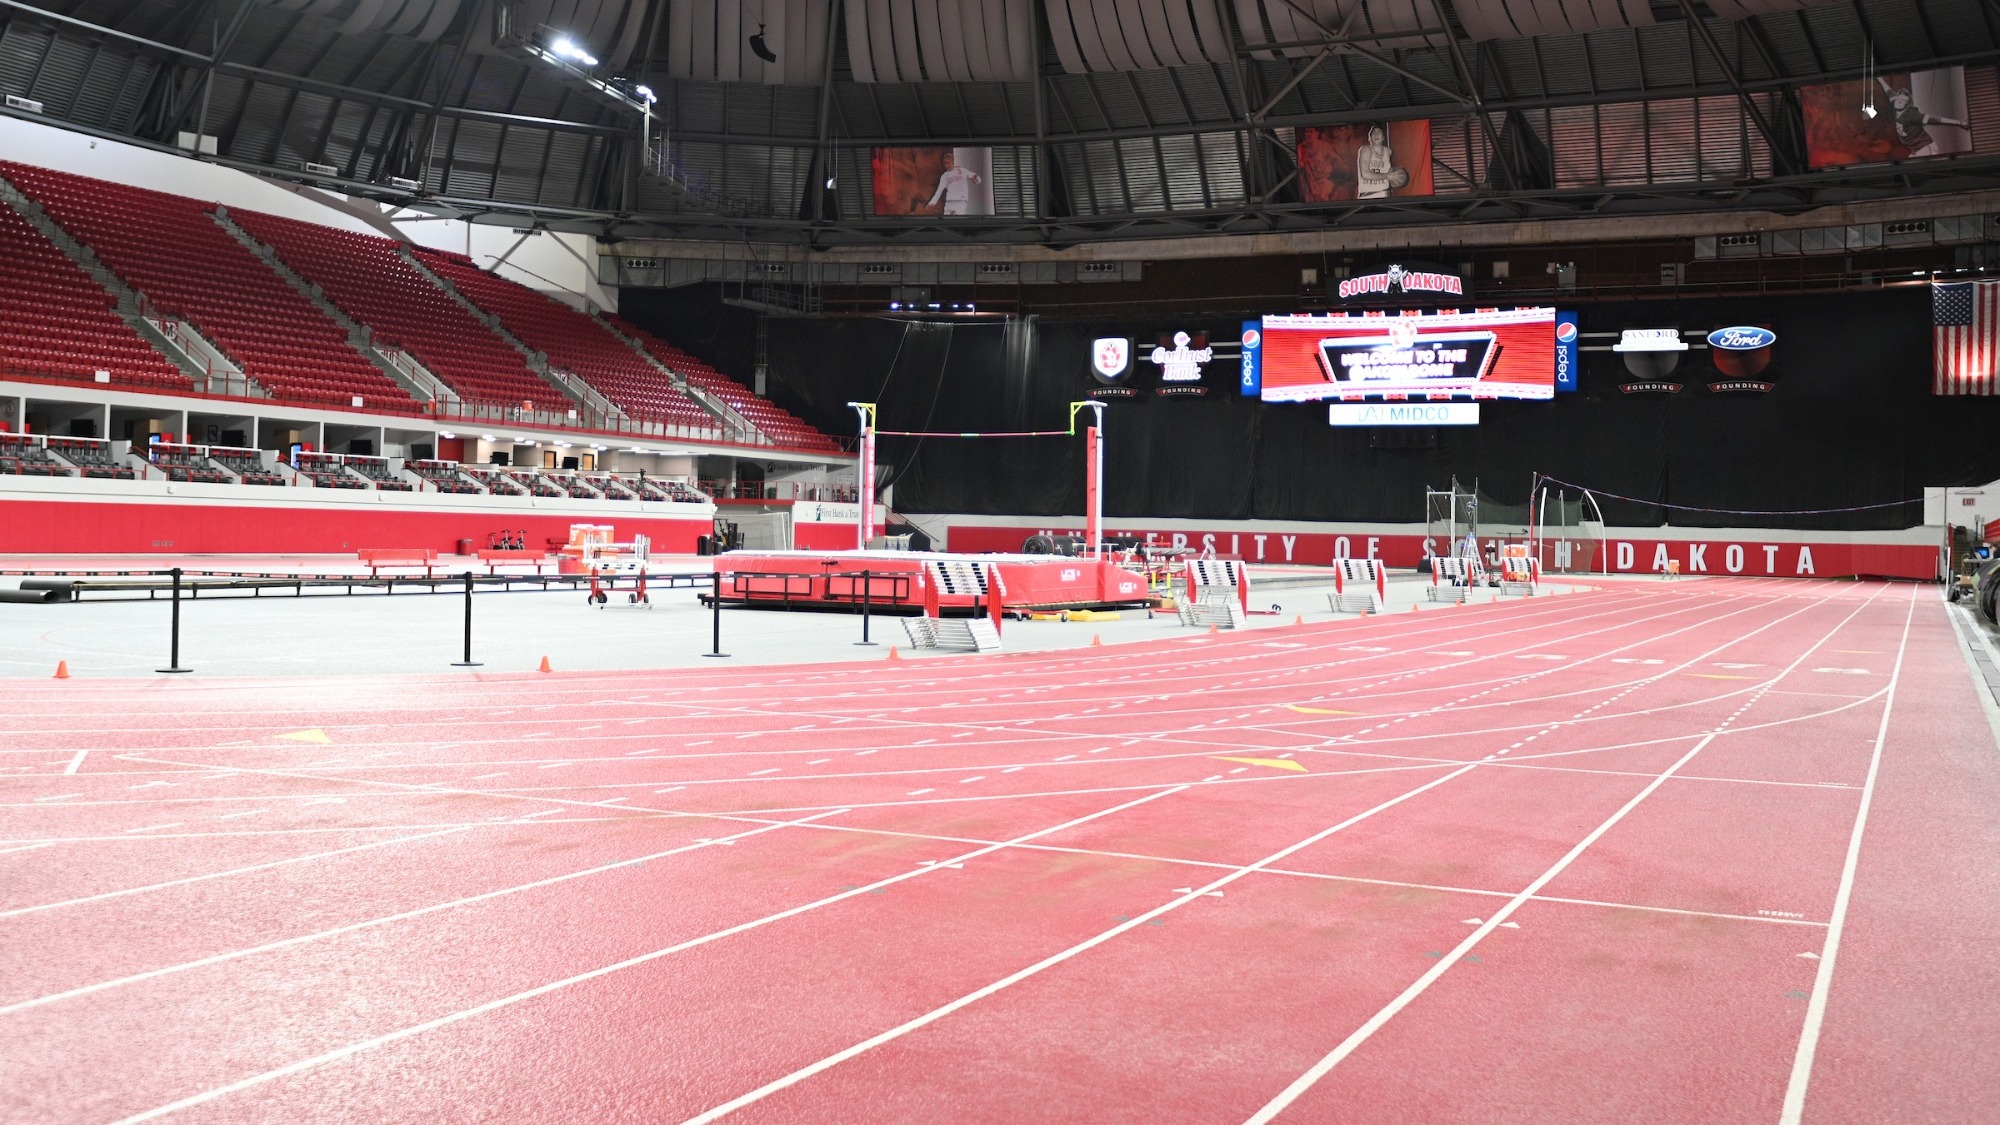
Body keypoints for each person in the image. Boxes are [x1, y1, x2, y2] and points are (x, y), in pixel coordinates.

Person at [1881, 80, 1967, 158]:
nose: (1899, 101)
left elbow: (1935, 120)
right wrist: (1880, 78)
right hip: (1916, 149)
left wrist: (1959, 122)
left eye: (1903, 101)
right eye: (1899, 99)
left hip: (1925, 147)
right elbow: (1888, 91)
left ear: (1906, 105)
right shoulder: (1895, 106)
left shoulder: (1911, 114)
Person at [925, 151, 983, 216]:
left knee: (957, 219)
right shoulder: (944, 176)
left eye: (948, 163)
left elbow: (978, 180)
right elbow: (939, 191)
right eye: (945, 164)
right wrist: (931, 203)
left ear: (953, 162)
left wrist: (975, 179)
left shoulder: (962, 170)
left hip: (961, 200)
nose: (947, 165)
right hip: (949, 201)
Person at [1355, 126, 1395, 199]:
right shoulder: (1365, 149)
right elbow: (1365, 174)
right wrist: (1387, 176)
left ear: (1383, 137)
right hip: (1368, 196)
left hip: (1385, 195)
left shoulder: (1388, 152)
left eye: (1378, 132)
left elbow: (1390, 173)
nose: (1376, 134)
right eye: (1373, 133)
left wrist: (1397, 174)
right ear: (1369, 138)